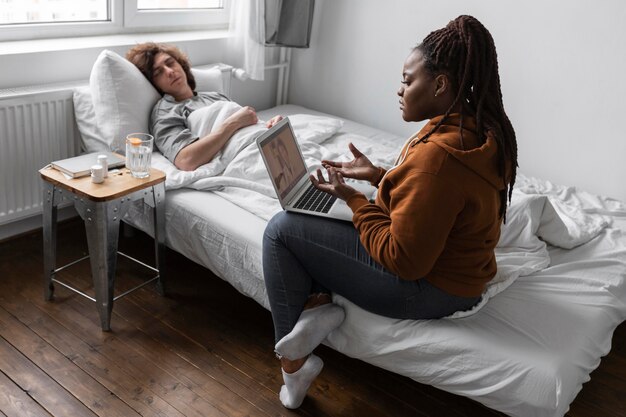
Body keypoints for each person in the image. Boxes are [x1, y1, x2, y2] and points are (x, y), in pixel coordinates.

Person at [262, 15, 518, 409]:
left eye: (407, 79)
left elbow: (404, 261)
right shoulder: (478, 128)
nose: (399, 90)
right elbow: (436, 200)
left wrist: (354, 199)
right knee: (312, 223)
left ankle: (293, 367)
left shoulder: (438, 157)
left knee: (281, 229)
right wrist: (383, 177)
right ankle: (315, 308)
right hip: (462, 274)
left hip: (430, 290)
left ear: (440, 84)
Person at [126, 43, 282, 171]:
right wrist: (233, 123)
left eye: (170, 63)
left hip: (267, 143)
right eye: (158, 72)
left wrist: (272, 125)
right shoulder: (166, 110)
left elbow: (246, 125)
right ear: (153, 83)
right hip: (248, 158)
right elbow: (185, 160)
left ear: (180, 63)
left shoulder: (214, 96)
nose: (169, 72)